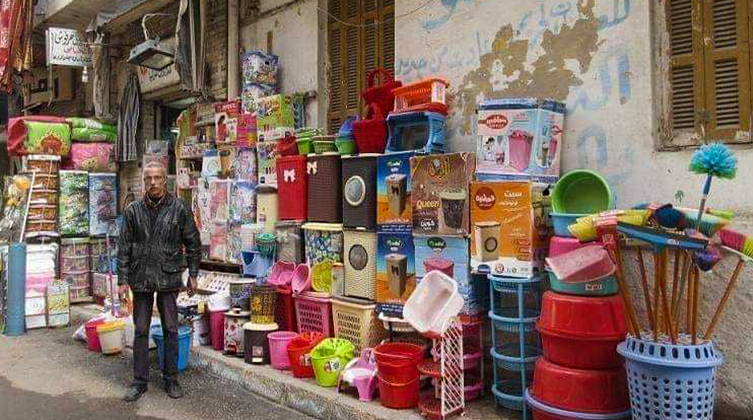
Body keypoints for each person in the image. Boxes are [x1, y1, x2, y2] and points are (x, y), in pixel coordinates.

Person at [117, 161, 201, 402]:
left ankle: (171, 379)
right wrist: (122, 280)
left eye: (157, 178)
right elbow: (123, 248)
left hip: (169, 275)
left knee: (171, 328)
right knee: (141, 329)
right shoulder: (133, 211)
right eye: (148, 178)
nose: (153, 182)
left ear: (165, 180)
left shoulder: (179, 208)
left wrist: (193, 273)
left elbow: (193, 243)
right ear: (144, 182)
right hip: (140, 276)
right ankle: (139, 381)